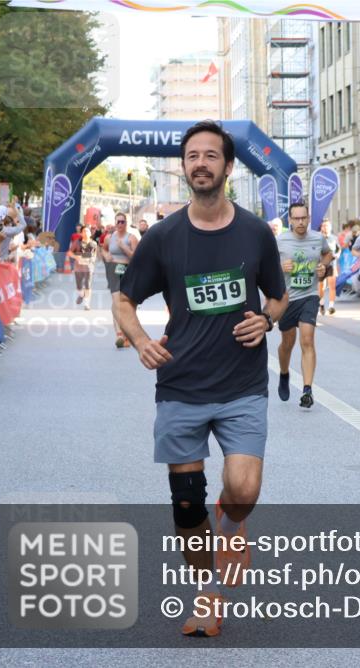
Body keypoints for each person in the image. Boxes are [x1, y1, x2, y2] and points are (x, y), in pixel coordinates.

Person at [115, 120, 289, 638]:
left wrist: (268, 319)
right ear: (185, 167)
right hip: (181, 384)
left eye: (211, 155)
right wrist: (140, 341)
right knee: (187, 501)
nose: (201, 164)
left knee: (244, 488)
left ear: (228, 167)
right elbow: (124, 300)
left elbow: (279, 296)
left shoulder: (255, 232)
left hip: (241, 384)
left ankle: (231, 523)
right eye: (192, 156)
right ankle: (207, 595)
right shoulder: (164, 236)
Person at [276, 201, 331, 408]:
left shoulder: (317, 238)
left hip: (310, 295)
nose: (300, 222)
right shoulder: (280, 240)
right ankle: (284, 373)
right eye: (296, 218)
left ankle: (307, 390)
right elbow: (265, 264)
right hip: (287, 299)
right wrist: (280, 266)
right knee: (287, 343)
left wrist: (323, 266)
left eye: (303, 218)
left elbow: (327, 254)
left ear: (308, 219)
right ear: (290, 220)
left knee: (307, 340)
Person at [101, 212, 139, 348]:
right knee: (116, 302)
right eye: (118, 222)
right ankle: (119, 335)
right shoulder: (109, 238)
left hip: (128, 270)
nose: (120, 224)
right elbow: (103, 250)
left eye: (123, 221)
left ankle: (127, 334)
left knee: (128, 304)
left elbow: (137, 257)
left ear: (126, 223)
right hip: (113, 270)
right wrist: (106, 256)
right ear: (115, 223)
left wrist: (124, 247)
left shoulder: (131, 238)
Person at [67, 225, 98, 310]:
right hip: (78, 268)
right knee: (79, 287)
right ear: (81, 233)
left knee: (88, 285)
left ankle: (87, 304)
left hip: (89, 268)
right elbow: (69, 253)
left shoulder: (94, 243)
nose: (86, 233)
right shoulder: (77, 242)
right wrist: (76, 257)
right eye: (84, 231)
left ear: (90, 233)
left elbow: (95, 255)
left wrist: (92, 259)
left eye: (88, 231)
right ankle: (81, 295)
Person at [318, 220, 340, 315]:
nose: (325, 227)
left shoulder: (334, 238)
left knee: (332, 286)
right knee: (321, 286)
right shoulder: (318, 238)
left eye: (327, 226)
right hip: (321, 264)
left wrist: (338, 254)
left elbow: (339, 249)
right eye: (324, 226)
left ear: (330, 227)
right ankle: (322, 304)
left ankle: (331, 306)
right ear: (321, 227)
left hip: (332, 264)